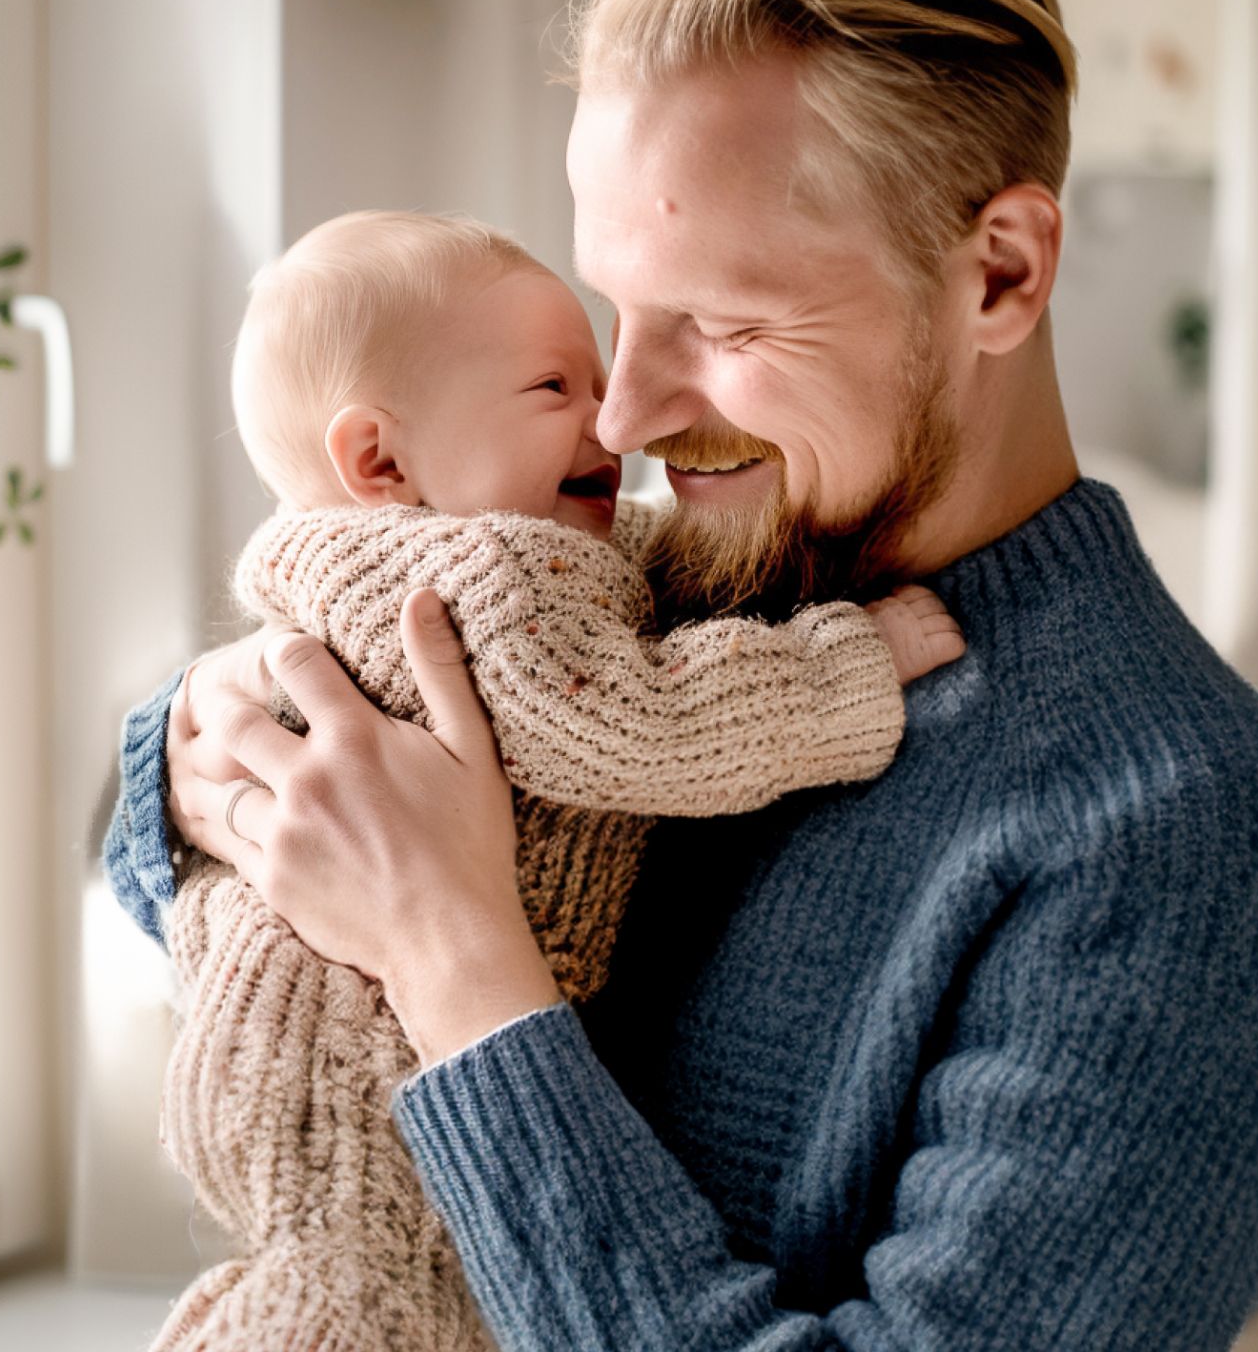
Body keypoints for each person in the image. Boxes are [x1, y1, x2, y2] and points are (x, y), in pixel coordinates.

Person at [107, 0, 1258, 1350]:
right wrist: (188, 750)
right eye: (616, 314)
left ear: (1003, 274)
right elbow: (215, 911)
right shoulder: (679, 581)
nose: (625, 417)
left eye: (724, 319)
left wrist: (460, 964)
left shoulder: (1188, 823)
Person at [151, 208, 957, 1350]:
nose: (613, 417)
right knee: (356, 1308)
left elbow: (642, 569)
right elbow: (639, 722)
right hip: (361, 1078)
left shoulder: (438, 547)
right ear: (381, 460)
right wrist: (851, 666)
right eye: (554, 388)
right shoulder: (482, 571)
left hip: (275, 1049)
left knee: (327, 1292)